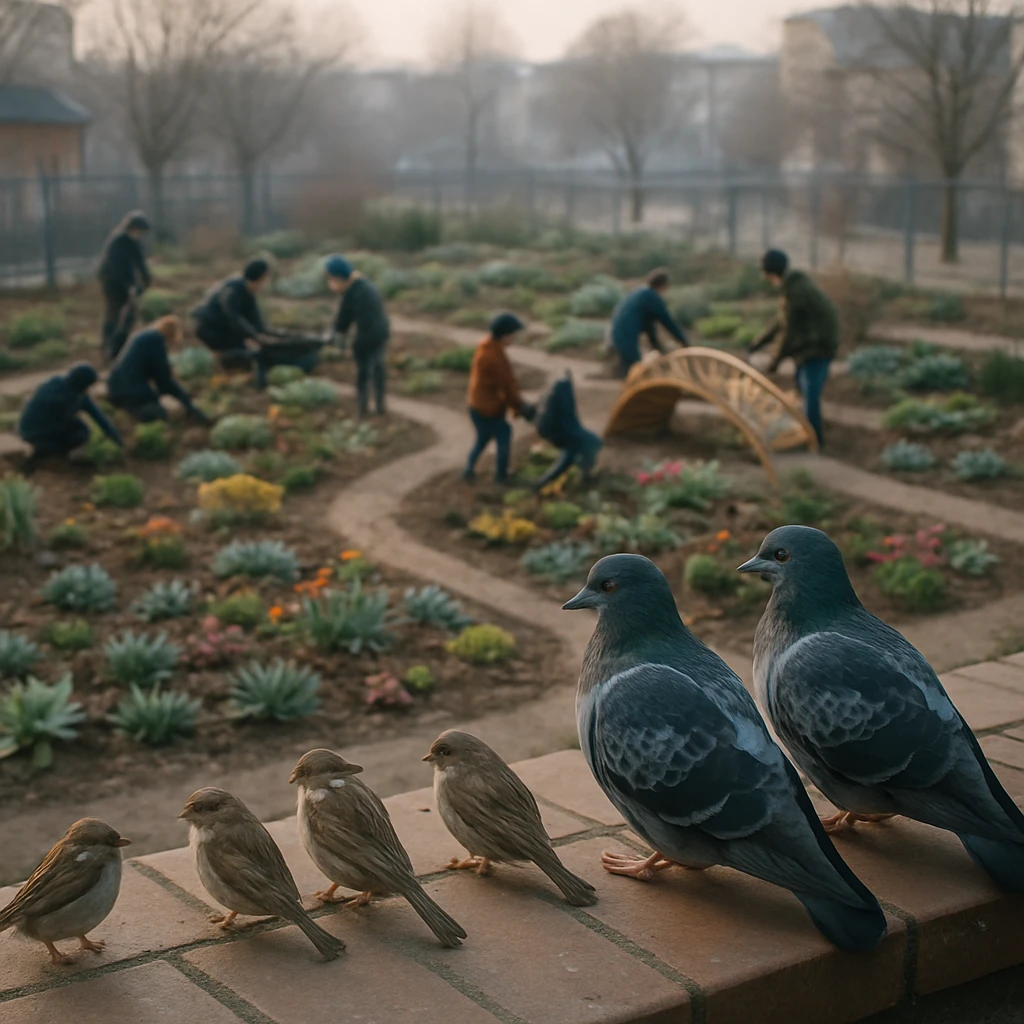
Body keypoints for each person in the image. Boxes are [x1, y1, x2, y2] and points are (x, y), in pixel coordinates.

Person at [747, 248, 839, 448]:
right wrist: (759, 343)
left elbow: (788, 332)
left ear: (769, 273)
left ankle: (814, 442)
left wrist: (774, 362)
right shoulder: (795, 286)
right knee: (802, 390)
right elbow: (781, 322)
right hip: (813, 346)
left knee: (810, 395)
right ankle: (804, 434)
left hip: (817, 348)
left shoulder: (795, 292)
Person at [192, 259, 317, 387]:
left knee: (250, 351)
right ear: (261, 278)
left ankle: (230, 360)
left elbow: (259, 325)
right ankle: (224, 358)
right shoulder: (233, 290)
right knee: (246, 353)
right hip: (210, 329)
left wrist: (285, 336)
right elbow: (233, 318)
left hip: (225, 328)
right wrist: (255, 336)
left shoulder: (249, 293)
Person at [464, 312, 536, 485]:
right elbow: (507, 386)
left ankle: (468, 470)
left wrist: (518, 406)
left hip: (478, 405)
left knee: (483, 439)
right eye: (512, 335)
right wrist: (521, 407)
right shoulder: (492, 357)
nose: (514, 339)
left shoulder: (489, 347)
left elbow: (505, 385)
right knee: (504, 433)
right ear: (505, 335)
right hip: (486, 408)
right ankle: (501, 477)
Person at [107, 315, 211, 425]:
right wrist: (189, 405)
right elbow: (164, 381)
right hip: (131, 392)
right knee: (161, 415)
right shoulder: (156, 341)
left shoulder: (145, 337)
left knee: (151, 401)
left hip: (115, 387)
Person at [18, 362, 123, 464]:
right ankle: (55, 453)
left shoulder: (54, 382)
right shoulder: (75, 397)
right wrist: (118, 441)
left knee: (73, 426)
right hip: (44, 433)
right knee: (82, 431)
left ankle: (43, 450)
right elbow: (99, 418)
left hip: (25, 430)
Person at [325, 254, 390, 417]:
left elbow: (343, 319)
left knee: (364, 373)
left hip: (368, 336)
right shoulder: (364, 285)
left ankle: (363, 410)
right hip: (381, 333)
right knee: (378, 369)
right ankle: (380, 407)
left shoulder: (354, 291)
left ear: (338, 277)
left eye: (331, 278)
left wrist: (333, 335)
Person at [609, 267, 688, 378]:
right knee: (634, 368)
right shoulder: (651, 297)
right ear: (663, 285)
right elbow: (668, 322)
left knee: (631, 369)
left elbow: (649, 326)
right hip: (625, 334)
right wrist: (685, 343)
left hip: (617, 331)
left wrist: (656, 345)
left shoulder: (643, 293)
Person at [533, 371, 602, 492]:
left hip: (555, 430)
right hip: (561, 432)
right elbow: (569, 420)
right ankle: (543, 482)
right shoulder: (562, 392)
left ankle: (583, 472)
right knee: (582, 447)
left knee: (588, 443)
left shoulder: (556, 391)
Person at [97, 211, 151, 362]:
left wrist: (146, 279)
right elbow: (116, 268)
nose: (140, 234)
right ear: (131, 228)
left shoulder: (134, 242)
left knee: (130, 314)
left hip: (125, 280)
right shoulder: (118, 242)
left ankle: (119, 346)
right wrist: (130, 285)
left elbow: (139, 261)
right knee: (113, 313)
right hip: (111, 281)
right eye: (139, 230)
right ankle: (108, 347)